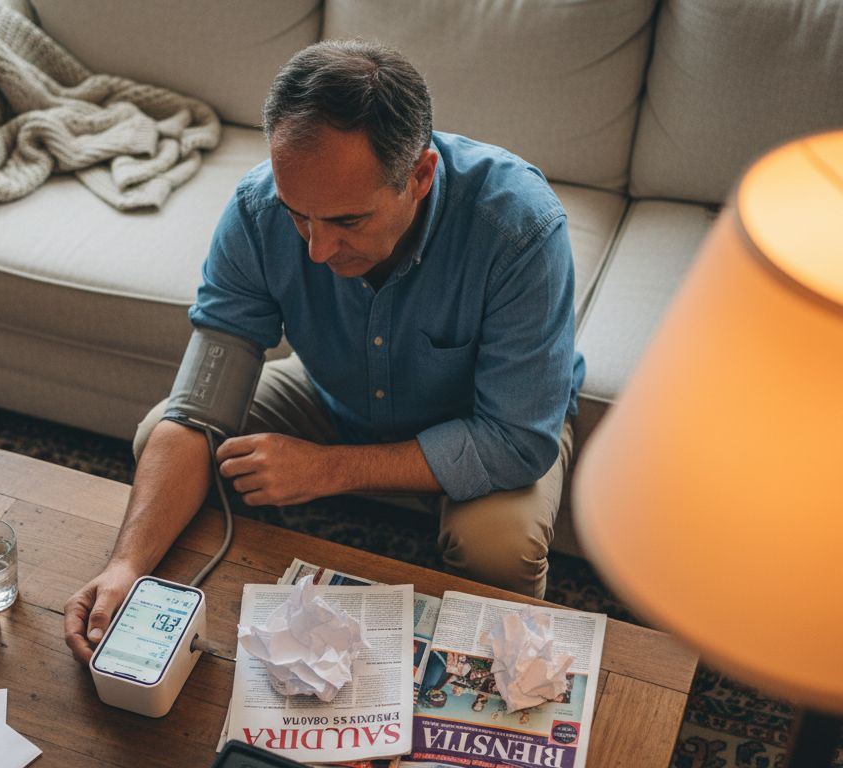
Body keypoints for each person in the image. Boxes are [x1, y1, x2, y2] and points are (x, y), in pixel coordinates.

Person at [64, 40, 582, 665]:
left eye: (347, 222)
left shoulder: (521, 229)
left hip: (486, 420)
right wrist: (124, 567)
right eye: (298, 217)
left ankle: (490, 682)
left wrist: (328, 469)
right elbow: (197, 409)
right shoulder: (256, 211)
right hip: (336, 393)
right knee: (162, 436)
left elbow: (518, 440)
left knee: (499, 546)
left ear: (420, 177)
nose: (315, 250)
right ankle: (223, 619)